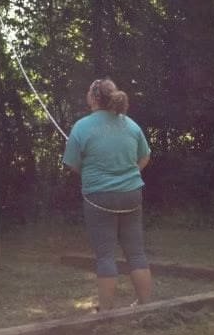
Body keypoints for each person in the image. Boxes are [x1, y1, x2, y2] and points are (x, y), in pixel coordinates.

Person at [63, 77, 152, 312]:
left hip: (99, 197)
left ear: (93, 97)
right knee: (136, 252)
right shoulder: (131, 125)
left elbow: (72, 164)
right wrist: (128, 174)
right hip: (132, 194)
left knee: (105, 255)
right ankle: (146, 306)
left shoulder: (81, 127)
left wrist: (94, 173)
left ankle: (106, 312)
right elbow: (144, 156)